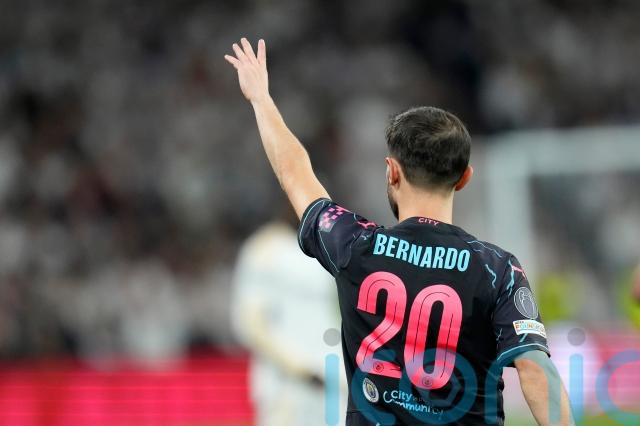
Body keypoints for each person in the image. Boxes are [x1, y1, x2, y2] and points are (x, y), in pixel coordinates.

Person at [224, 38, 574, 426]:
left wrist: (261, 99)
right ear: (464, 178)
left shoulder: (354, 245)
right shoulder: (498, 269)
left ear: (391, 171)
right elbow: (535, 370)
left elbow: (296, 175)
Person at [231, 213, 346, 426]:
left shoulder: (333, 245)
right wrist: (302, 370)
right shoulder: (266, 249)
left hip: (333, 388)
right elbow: (250, 323)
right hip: (286, 389)